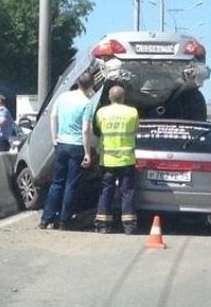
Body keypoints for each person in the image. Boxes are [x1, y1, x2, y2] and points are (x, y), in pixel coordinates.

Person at [39, 72, 95, 230]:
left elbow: (53, 116)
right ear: (91, 85)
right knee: (71, 184)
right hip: (77, 146)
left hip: (61, 144)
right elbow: (85, 130)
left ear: (77, 82)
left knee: (57, 182)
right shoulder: (87, 103)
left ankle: (46, 218)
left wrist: (54, 137)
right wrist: (87, 152)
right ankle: (64, 220)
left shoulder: (63, 97)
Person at [94, 85, 139, 234]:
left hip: (107, 160)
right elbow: (136, 129)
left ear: (109, 97)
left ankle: (103, 225)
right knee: (127, 192)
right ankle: (129, 225)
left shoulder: (101, 112)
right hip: (126, 160)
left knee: (106, 191)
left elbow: (98, 130)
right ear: (124, 97)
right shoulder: (132, 112)